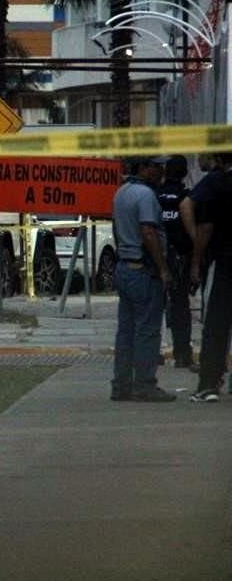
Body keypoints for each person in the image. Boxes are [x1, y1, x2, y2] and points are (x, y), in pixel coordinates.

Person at [109, 157, 175, 402]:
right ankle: (145, 385)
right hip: (143, 270)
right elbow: (148, 231)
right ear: (144, 168)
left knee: (126, 331)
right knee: (147, 331)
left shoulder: (121, 192)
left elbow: (117, 228)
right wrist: (163, 268)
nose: (161, 171)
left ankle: (121, 385)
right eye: (157, 166)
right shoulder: (146, 195)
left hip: (125, 267)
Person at [185, 153, 232, 402]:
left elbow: (205, 226)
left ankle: (209, 383)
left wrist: (196, 260)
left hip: (223, 262)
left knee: (215, 325)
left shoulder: (215, 183)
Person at [157, 155, 196, 370]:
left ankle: (153, 352)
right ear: (184, 173)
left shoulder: (155, 195)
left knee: (155, 306)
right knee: (181, 306)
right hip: (180, 258)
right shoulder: (186, 197)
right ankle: (182, 354)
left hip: (157, 257)